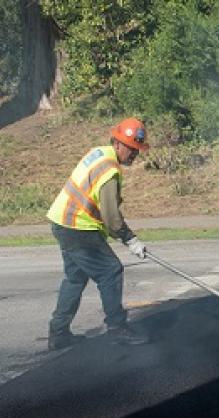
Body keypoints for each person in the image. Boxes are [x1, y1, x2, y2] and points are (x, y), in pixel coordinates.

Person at [46, 118, 151, 350]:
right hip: (77, 227)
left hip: (63, 222)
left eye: (137, 150)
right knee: (111, 271)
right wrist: (130, 239)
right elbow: (112, 219)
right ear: (117, 143)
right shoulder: (109, 170)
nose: (134, 154)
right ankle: (117, 328)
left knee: (75, 278)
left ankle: (59, 333)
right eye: (131, 148)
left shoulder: (100, 153)